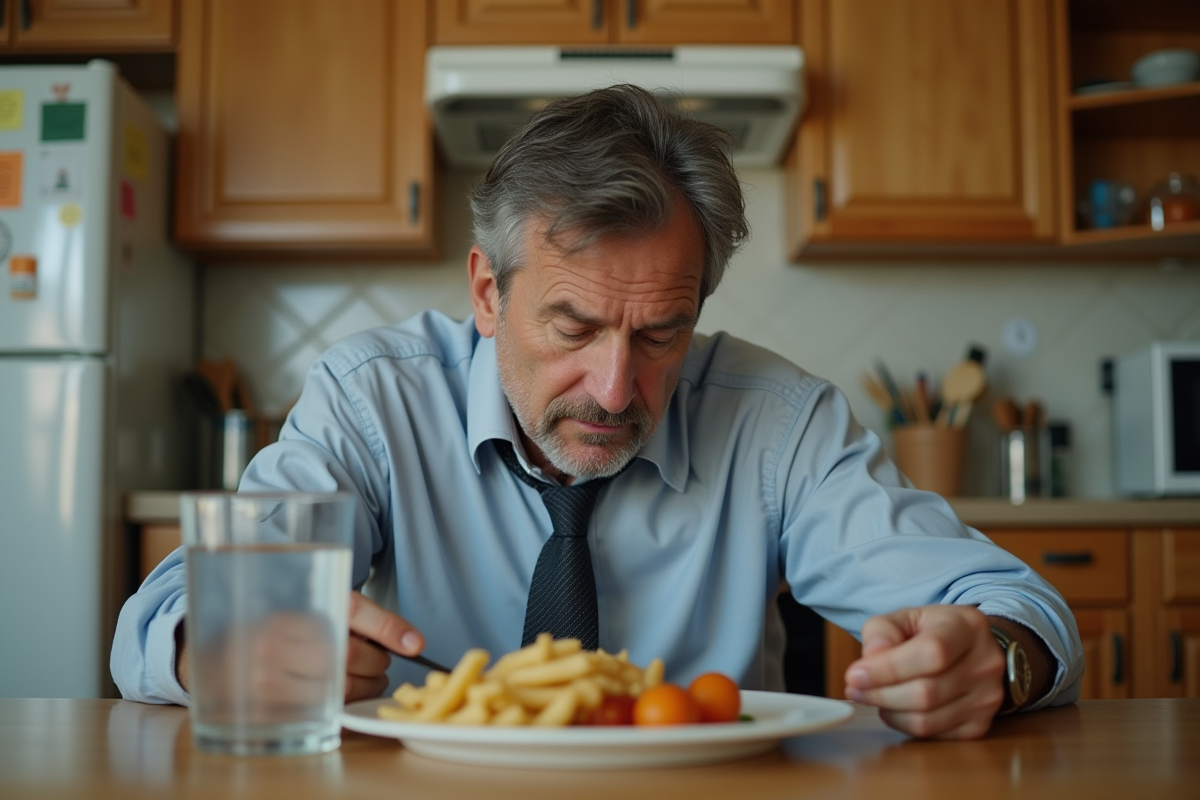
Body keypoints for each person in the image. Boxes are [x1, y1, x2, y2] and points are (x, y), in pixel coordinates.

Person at [113, 84, 1082, 739]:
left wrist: (994, 658)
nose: (616, 390)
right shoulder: (376, 399)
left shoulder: (778, 423)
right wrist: (235, 642)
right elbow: (155, 621)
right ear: (488, 294)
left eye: (662, 333)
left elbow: (1022, 606)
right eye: (572, 326)